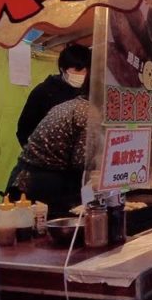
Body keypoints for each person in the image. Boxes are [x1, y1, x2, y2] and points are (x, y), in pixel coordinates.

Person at [14, 78, 95, 218]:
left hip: (27, 176)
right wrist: (90, 198)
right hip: (40, 183)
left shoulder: (71, 104)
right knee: (38, 231)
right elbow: (82, 164)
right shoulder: (87, 112)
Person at [16, 44, 91, 146]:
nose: (83, 74)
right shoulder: (43, 92)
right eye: (78, 70)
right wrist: (38, 155)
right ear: (62, 69)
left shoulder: (90, 93)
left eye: (87, 70)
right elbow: (24, 130)